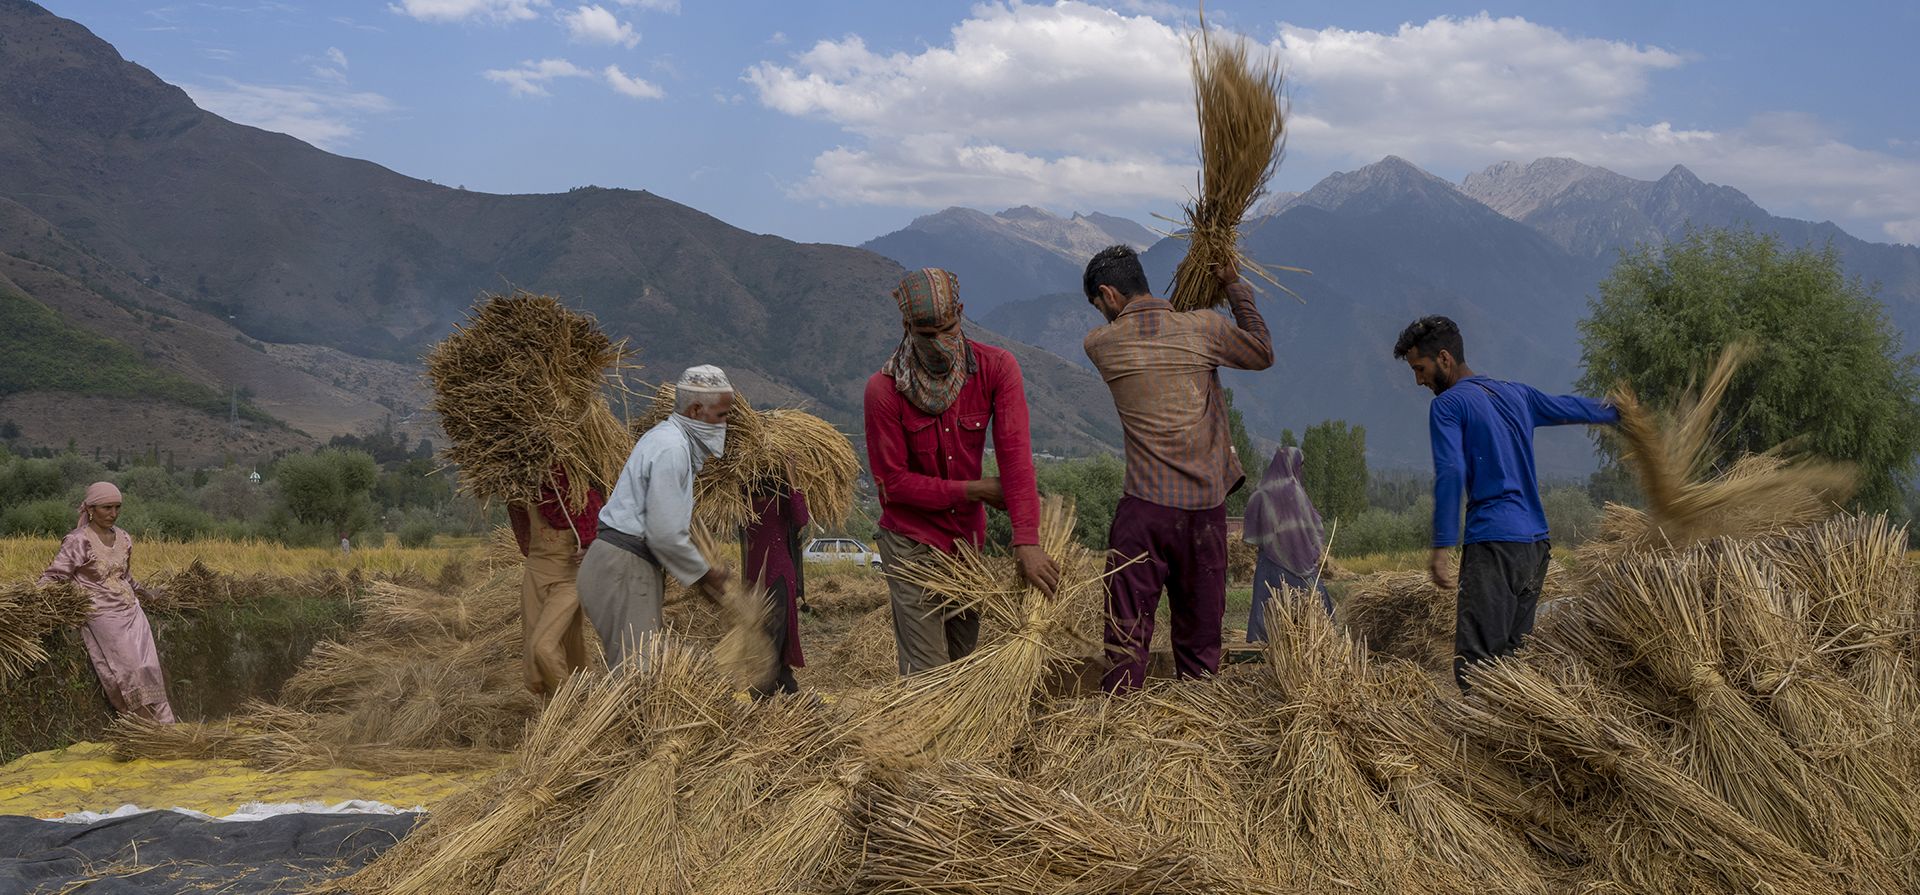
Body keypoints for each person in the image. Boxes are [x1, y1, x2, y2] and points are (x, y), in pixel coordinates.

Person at [1082, 245, 1273, 693]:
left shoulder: (1100, 345)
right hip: (1203, 513)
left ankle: (1121, 725)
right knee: (1202, 637)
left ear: (1109, 294)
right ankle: (1199, 724)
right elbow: (1263, 352)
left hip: (1143, 513)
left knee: (1126, 638)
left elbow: (1147, 332)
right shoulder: (1205, 328)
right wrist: (1231, 285)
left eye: (1098, 305)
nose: (1101, 315)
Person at [1392, 315, 1618, 690]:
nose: (1419, 380)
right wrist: (1617, 413)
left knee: (1477, 669)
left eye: (1420, 368)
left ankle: (1477, 747)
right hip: (1534, 548)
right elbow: (1568, 408)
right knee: (1513, 668)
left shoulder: (1448, 406)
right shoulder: (1516, 394)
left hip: (1493, 546)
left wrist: (1442, 545)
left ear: (1444, 359)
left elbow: (1450, 472)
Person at [864, 267, 1059, 675]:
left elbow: (1016, 458)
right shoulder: (884, 391)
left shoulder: (996, 369)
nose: (938, 342)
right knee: (930, 674)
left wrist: (1027, 541)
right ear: (906, 326)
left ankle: (959, 737)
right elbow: (893, 485)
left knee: (963, 664)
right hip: (910, 542)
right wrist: (975, 490)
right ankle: (928, 735)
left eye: (947, 328)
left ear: (962, 313)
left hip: (966, 547)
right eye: (925, 332)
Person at [578, 365, 735, 667]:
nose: (724, 424)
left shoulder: (667, 440)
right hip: (624, 566)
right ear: (696, 409)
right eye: (721, 415)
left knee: (633, 668)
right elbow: (664, 535)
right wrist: (705, 575)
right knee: (637, 674)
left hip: (619, 564)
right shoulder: (671, 449)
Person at [39, 482, 177, 723]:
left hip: (132, 611)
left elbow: (125, 576)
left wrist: (145, 592)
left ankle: (162, 726)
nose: (113, 514)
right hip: (101, 613)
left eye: (117, 507)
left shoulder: (124, 538)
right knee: (126, 671)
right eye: (106, 507)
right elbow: (55, 575)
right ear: (91, 509)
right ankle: (141, 725)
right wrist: (31, 596)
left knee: (148, 667)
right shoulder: (78, 540)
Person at [507, 465, 600, 696]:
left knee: (544, 647)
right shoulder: (524, 488)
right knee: (536, 653)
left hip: (569, 579)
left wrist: (591, 547)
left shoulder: (581, 491)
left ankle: (572, 705)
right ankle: (552, 722)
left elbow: (602, 530)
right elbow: (526, 539)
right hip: (535, 575)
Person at [1241, 445, 1333, 642]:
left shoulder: (1261, 492)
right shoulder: (1296, 492)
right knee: (1315, 610)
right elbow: (1314, 526)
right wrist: (1312, 551)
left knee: (1266, 611)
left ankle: (1263, 640)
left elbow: (1253, 533)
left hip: (1271, 564)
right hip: (1301, 561)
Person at [740, 482, 809, 696]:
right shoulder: (741, 493)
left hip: (777, 573)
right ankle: (770, 689)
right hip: (755, 575)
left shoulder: (783, 493)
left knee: (775, 633)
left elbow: (801, 519)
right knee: (764, 633)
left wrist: (793, 480)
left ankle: (779, 688)